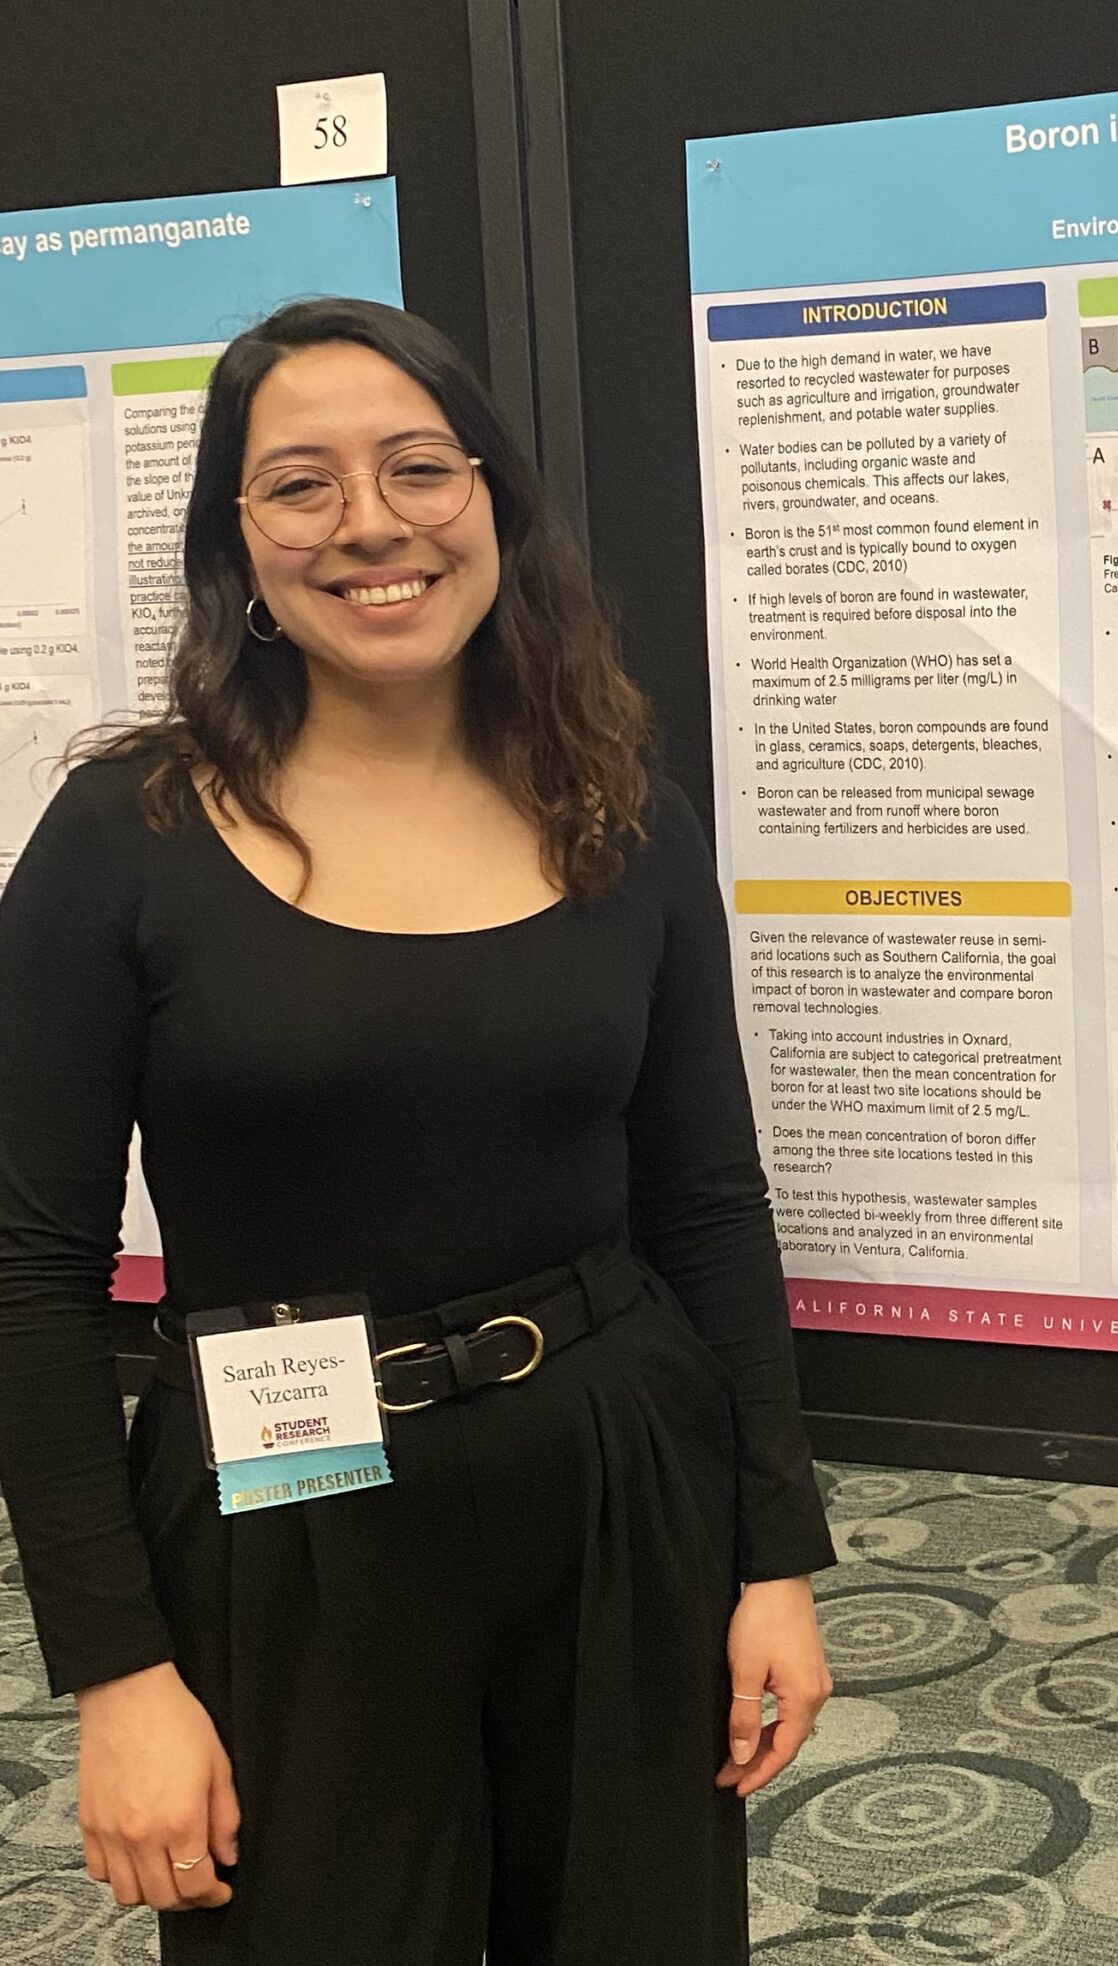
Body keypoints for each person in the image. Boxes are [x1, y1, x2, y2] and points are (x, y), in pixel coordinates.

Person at [0, 297, 837, 1962]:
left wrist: (774, 1558)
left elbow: (709, 1202)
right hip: (281, 1509)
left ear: (494, 506)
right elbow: (27, 1272)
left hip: (613, 1478)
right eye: (298, 484)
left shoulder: (622, 810)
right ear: (236, 546)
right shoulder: (127, 834)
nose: (372, 523)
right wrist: (117, 1671)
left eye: (418, 468)